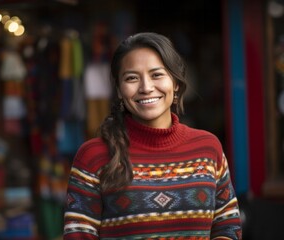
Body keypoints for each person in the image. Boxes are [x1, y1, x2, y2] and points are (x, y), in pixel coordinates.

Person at [63, 32, 242, 239]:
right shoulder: (93, 156)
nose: (146, 88)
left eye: (157, 75)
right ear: (120, 90)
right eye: (132, 78)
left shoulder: (208, 147)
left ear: (175, 83)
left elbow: (227, 226)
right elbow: (78, 235)